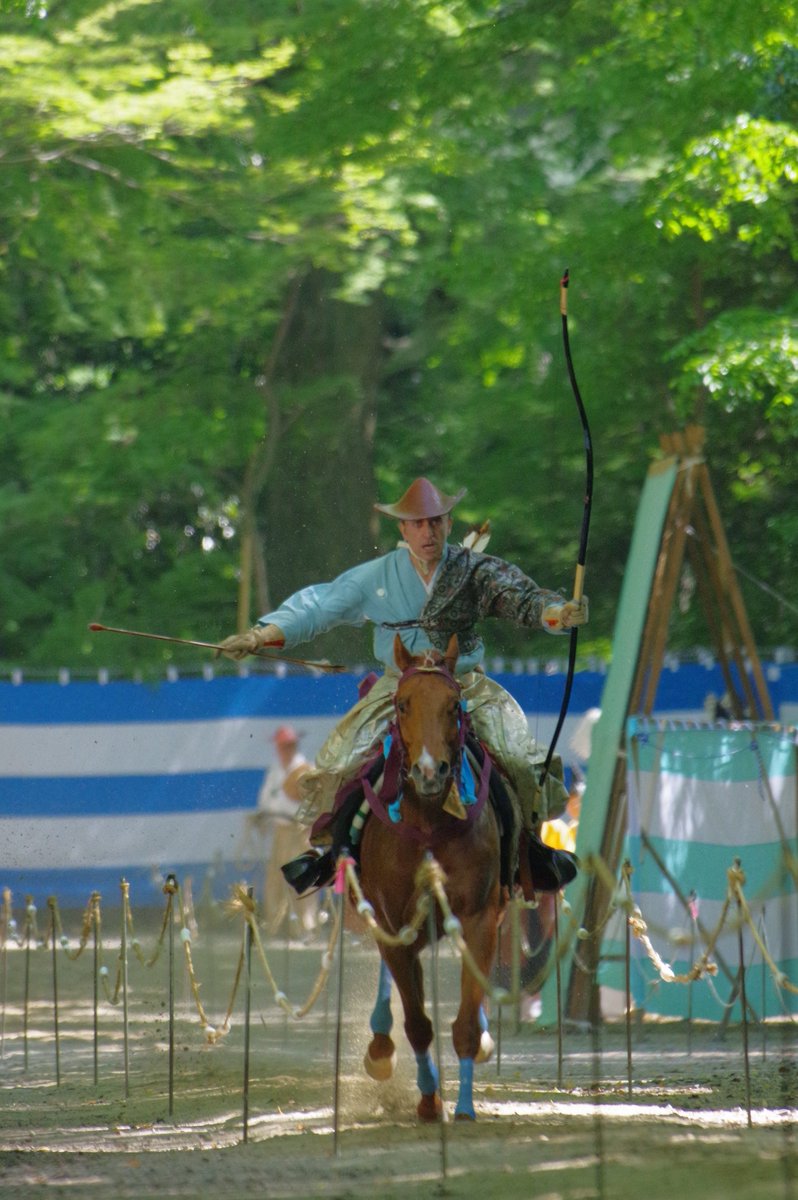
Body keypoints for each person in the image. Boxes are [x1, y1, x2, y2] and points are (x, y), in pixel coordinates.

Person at [219, 477, 588, 889]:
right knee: (340, 762)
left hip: (463, 686)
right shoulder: (376, 576)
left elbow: (522, 598)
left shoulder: (475, 571)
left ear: (448, 523)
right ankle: (330, 850)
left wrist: (557, 613)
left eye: (435, 522)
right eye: (418, 524)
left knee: (520, 761)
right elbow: (321, 605)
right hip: (400, 689)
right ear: (403, 529)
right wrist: (262, 634)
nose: (428, 532)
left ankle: (529, 852)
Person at [246, 725, 316, 937]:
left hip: (299, 831)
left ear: (294, 746)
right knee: (275, 880)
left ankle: (306, 927)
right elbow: (265, 799)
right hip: (280, 830)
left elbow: (311, 803)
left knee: (301, 879)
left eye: (287, 746)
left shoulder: (306, 770)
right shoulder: (276, 771)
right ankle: (274, 926)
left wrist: (280, 805)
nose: (283, 750)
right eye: (281, 746)